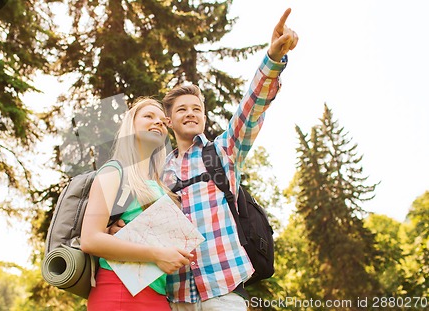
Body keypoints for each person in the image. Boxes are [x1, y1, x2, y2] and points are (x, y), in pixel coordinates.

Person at [109, 8, 298, 311]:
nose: (190, 113)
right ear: (168, 121)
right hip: (175, 295)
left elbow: (251, 109)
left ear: (204, 116)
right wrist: (119, 231)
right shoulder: (158, 175)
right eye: (182, 109)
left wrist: (273, 60)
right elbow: (141, 226)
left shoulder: (223, 151)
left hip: (223, 288)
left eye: (196, 108)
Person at [80, 98, 192, 311]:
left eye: (162, 120)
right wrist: (157, 254)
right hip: (118, 292)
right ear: (130, 126)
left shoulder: (161, 185)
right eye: (149, 116)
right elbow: (90, 239)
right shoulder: (115, 171)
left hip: (159, 296)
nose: (158, 122)